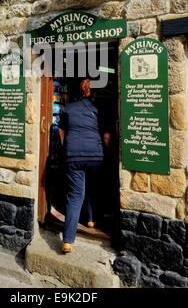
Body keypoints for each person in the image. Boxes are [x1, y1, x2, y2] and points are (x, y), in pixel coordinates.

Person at [58, 78, 111, 254]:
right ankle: (91, 220)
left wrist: (67, 147)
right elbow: (105, 137)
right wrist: (107, 151)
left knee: (75, 195)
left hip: (73, 155)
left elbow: (61, 130)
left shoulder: (68, 108)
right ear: (93, 92)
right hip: (95, 154)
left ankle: (67, 241)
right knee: (93, 187)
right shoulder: (98, 109)